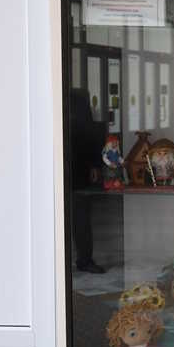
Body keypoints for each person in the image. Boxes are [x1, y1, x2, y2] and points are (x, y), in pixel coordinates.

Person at [69, 88, 105, 274]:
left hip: (77, 172)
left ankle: (84, 259)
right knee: (79, 217)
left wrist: (94, 166)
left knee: (80, 217)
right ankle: (83, 260)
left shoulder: (79, 103)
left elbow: (90, 138)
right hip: (64, 171)